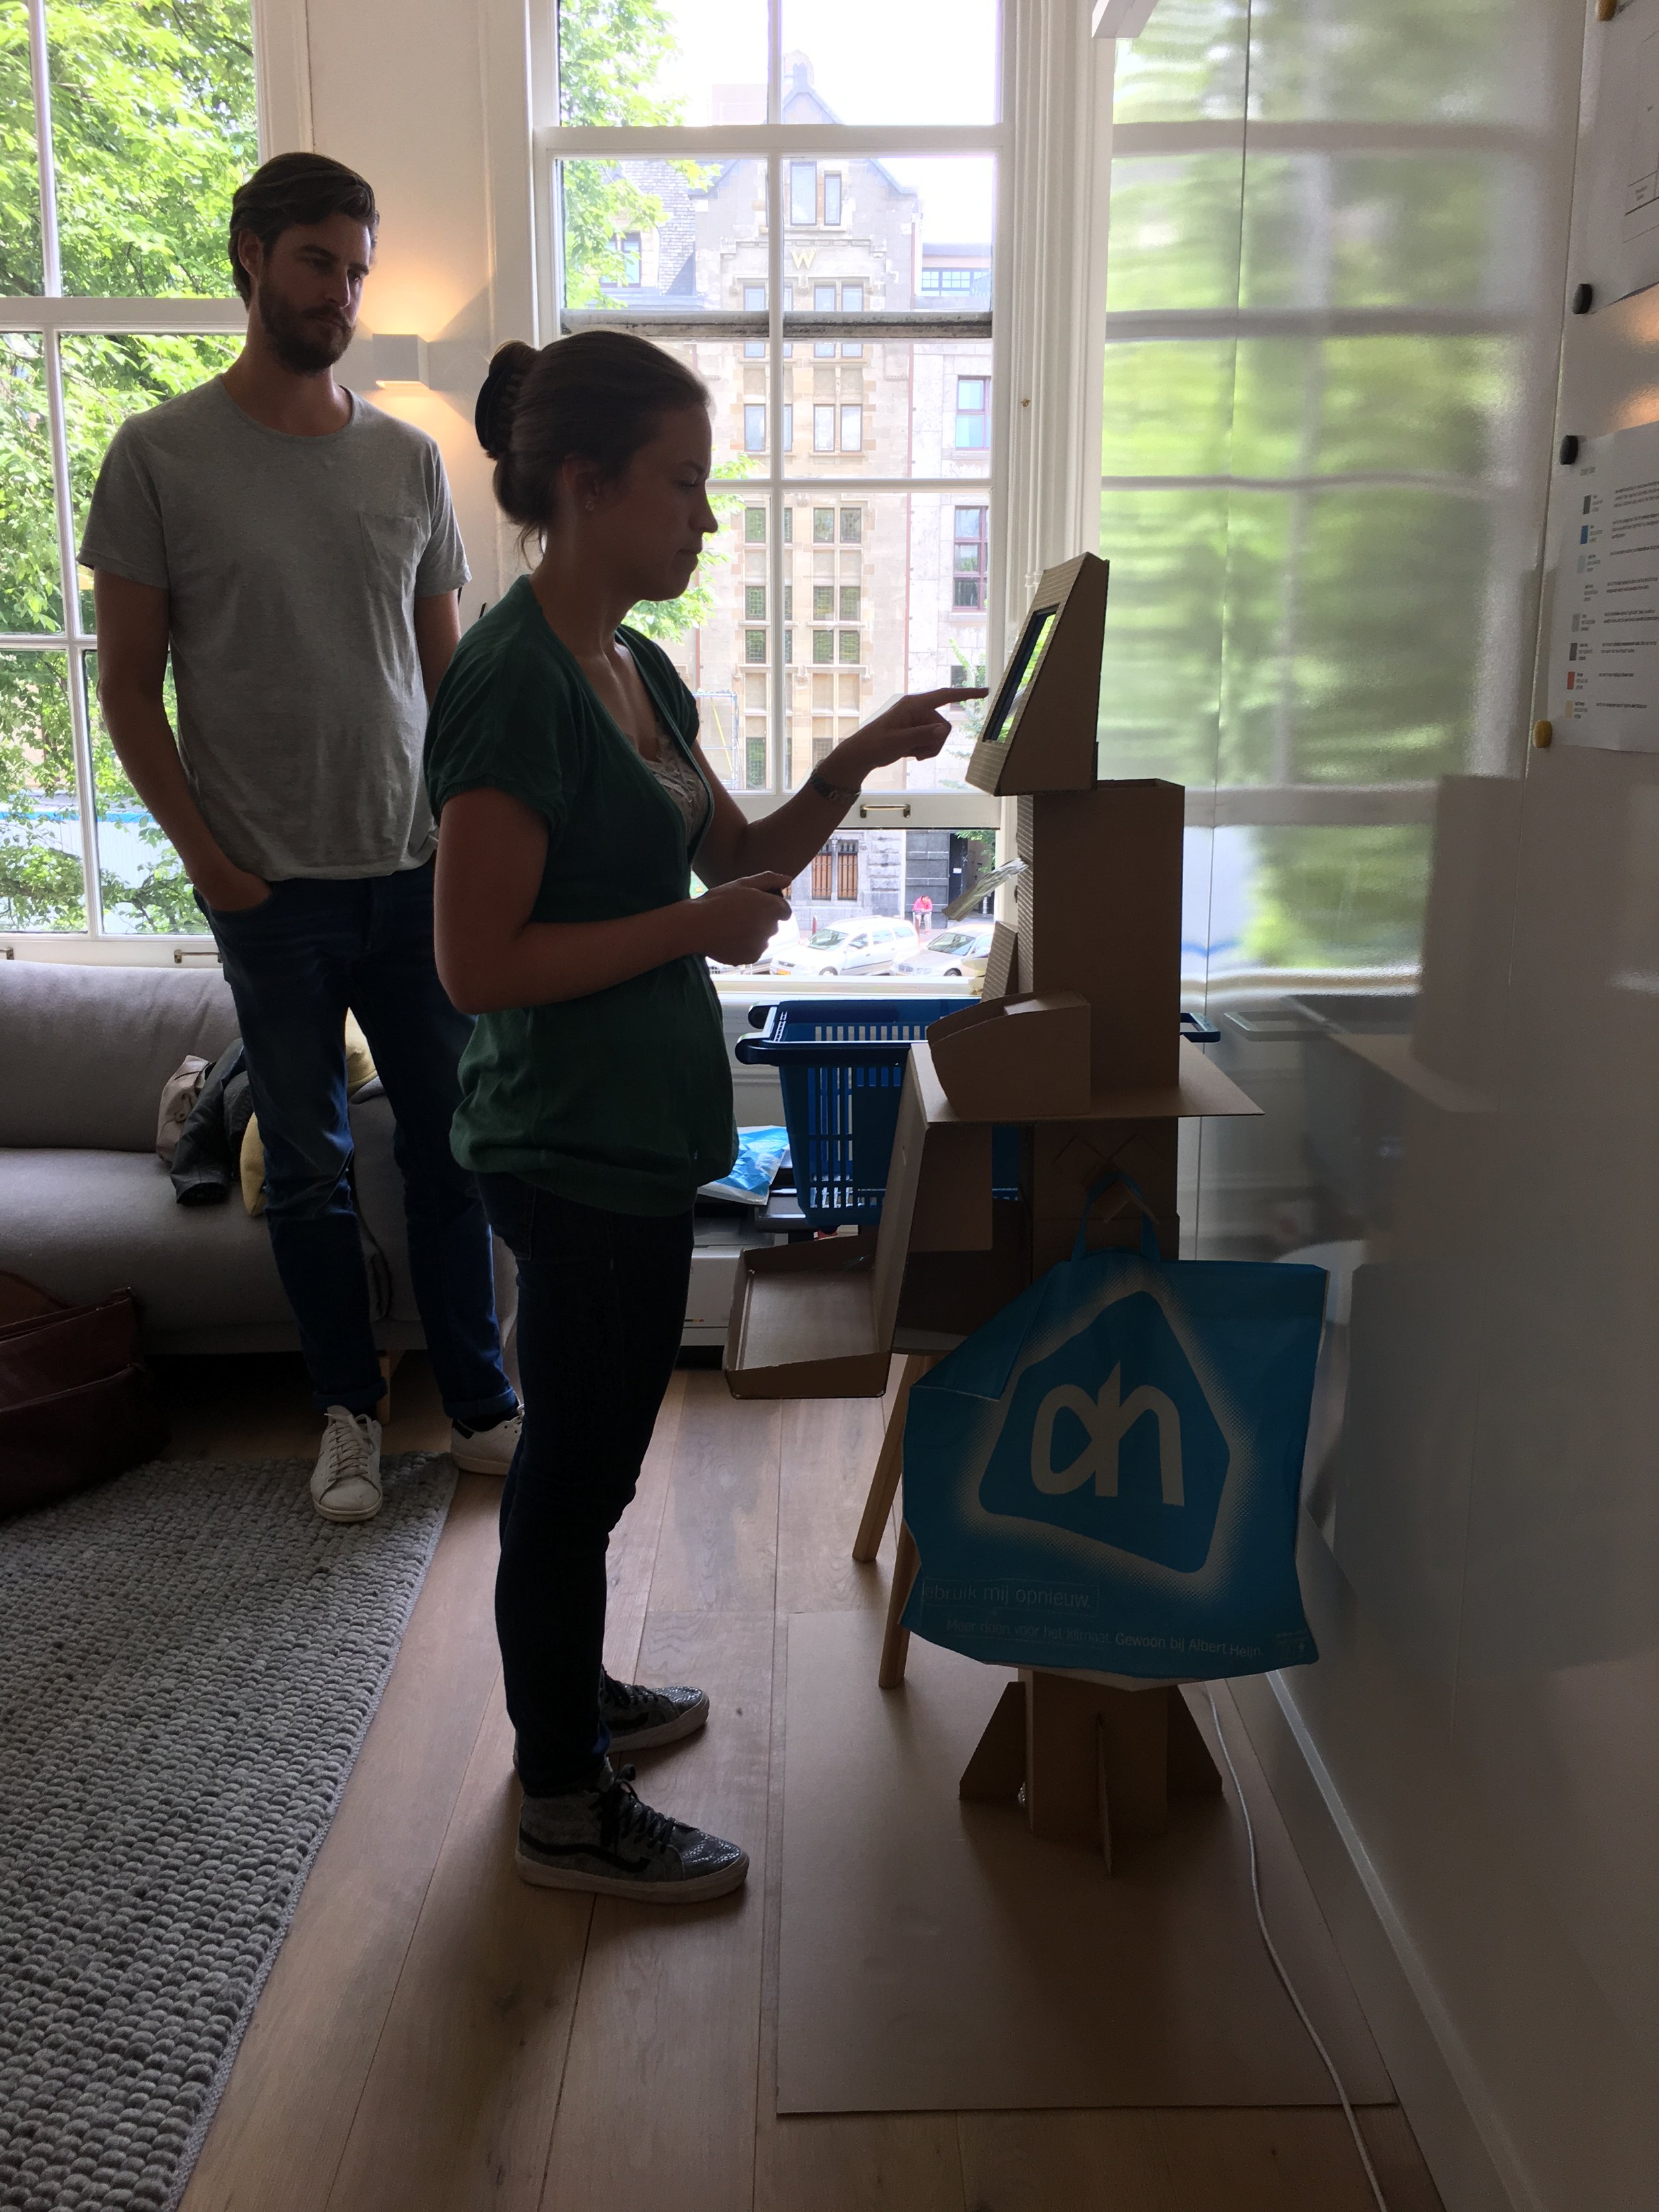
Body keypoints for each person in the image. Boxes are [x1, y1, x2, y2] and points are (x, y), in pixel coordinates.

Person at [425, 330, 985, 1902]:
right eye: (681, 483)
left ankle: (570, 1702)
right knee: (573, 1473)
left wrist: (852, 760)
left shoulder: (635, 669)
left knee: (593, 1464)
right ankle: (560, 1800)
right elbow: (475, 965)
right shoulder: (511, 684)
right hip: (562, 1142)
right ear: (583, 483)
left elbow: (736, 857)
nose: (706, 517)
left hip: (632, 1135)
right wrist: (692, 929)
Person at [83, 153, 520, 1524]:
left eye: (356, 267)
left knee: (454, 1151)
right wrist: (211, 864)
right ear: (253, 258)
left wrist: (475, 848)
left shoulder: (405, 460)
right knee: (312, 1170)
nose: (341, 291)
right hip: (269, 890)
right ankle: (347, 1414)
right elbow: (126, 688)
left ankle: (481, 1401)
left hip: (416, 877)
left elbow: (450, 683)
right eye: (318, 261)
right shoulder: (158, 454)